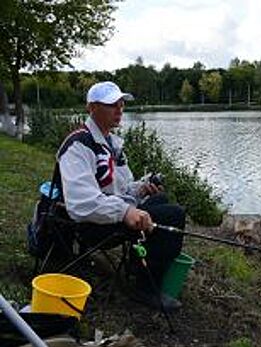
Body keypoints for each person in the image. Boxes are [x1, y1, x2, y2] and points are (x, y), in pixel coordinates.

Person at [56, 81, 185, 310]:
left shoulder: (112, 144)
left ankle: (139, 268)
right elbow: (81, 203)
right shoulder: (78, 144)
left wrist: (142, 188)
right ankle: (145, 288)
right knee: (173, 215)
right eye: (111, 104)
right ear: (92, 108)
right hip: (89, 223)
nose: (120, 109)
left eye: (121, 103)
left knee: (160, 201)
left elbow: (122, 189)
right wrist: (125, 211)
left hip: (109, 212)